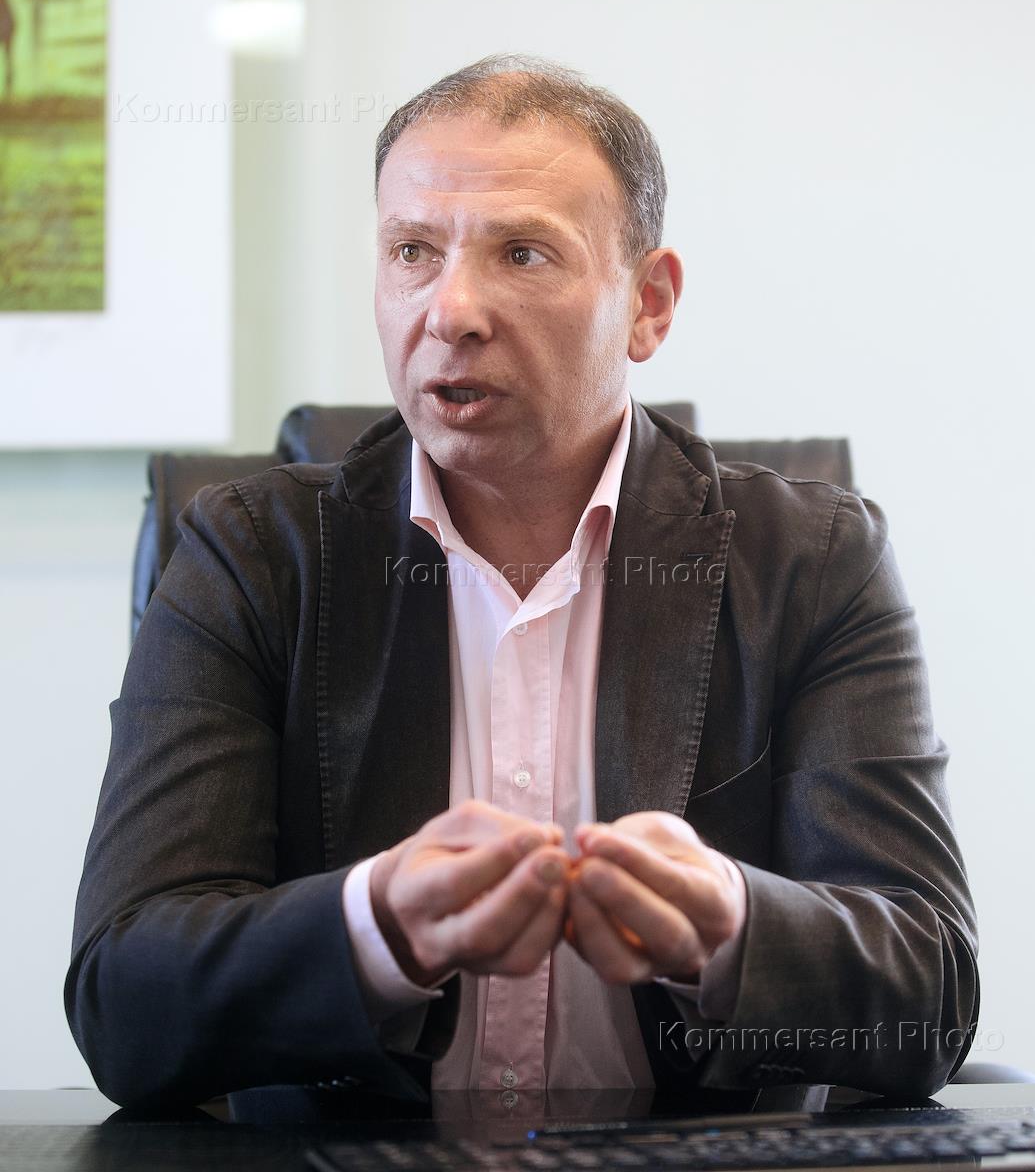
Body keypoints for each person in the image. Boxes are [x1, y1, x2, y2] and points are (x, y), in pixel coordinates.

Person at [66, 55, 978, 1109]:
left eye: (523, 253)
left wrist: (732, 926)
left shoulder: (812, 562)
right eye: (412, 252)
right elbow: (124, 1002)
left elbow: (932, 994)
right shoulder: (251, 556)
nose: (451, 310)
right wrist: (375, 925)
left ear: (648, 305)